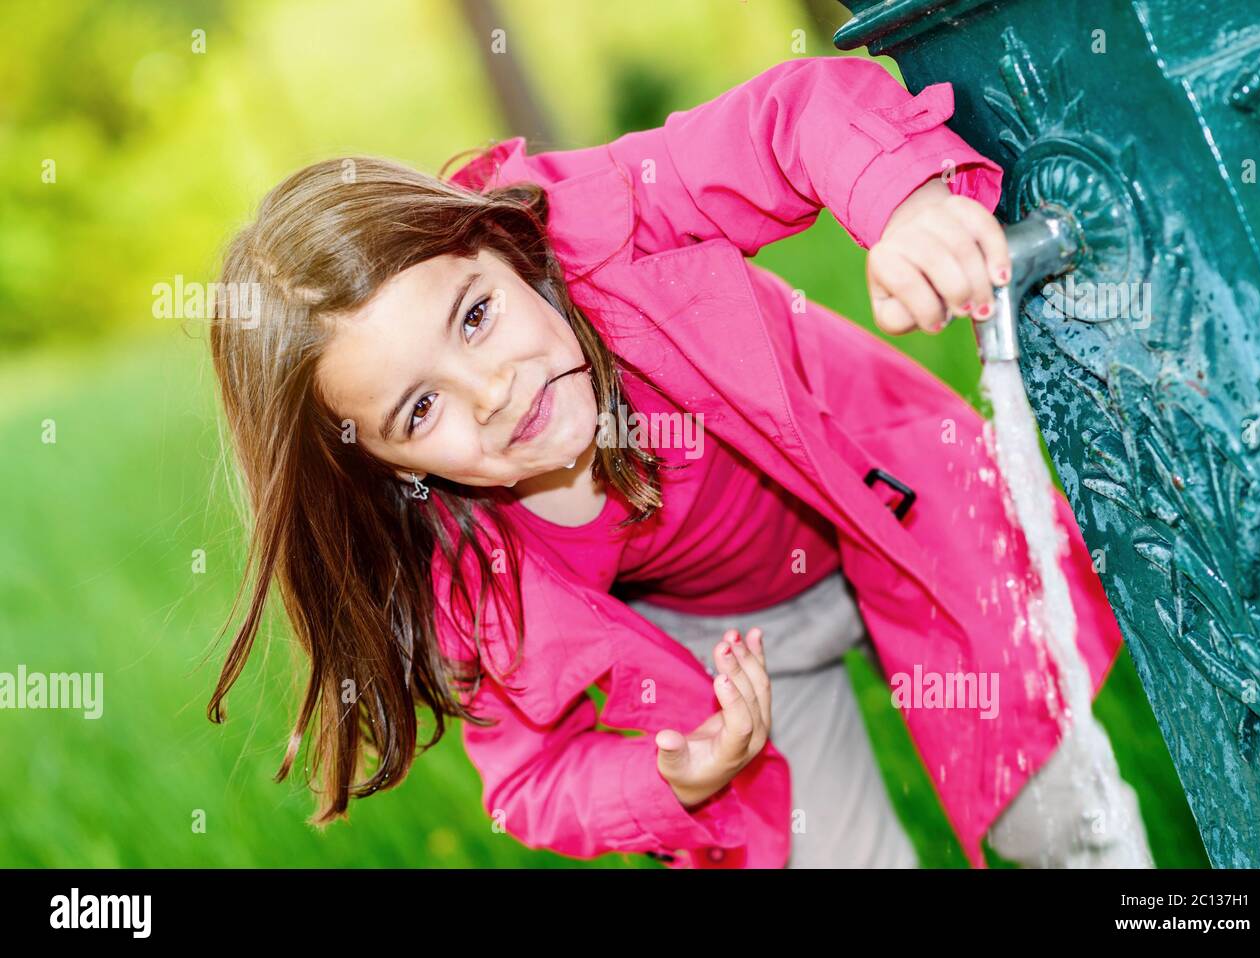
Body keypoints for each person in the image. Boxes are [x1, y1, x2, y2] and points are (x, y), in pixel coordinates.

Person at [206, 55, 1152, 868]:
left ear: (504, 245)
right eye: (419, 409)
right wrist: (669, 773)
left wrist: (902, 204)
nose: (489, 392)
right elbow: (529, 778)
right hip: (736, 647)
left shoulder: (609, 232)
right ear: (382, 467)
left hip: (896, 514)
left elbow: (789, 122)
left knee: (1061, 813)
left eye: (476, 316)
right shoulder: (467, 573)